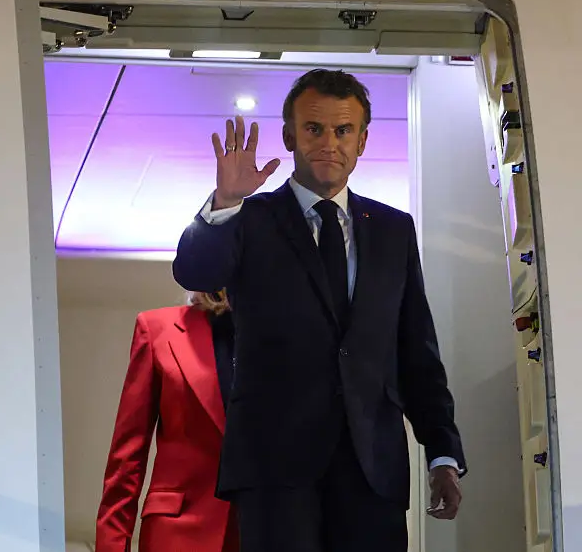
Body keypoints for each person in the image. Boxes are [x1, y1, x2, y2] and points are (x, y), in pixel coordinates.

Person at [172, 69, 466, 552]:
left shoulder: (394, 230)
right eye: (313, 129)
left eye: (343, 130)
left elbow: (416, 352)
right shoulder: (251, 218)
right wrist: (225, 201)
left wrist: (442, 454)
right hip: (275, 469)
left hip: (372, 470)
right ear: (290, 135)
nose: (329, 142)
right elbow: (196, 272)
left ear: (363, 140)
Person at [95, 291, 238, 552]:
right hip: (177, 533)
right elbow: (127, 457)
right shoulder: (157, 329)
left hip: (261, 529)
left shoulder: (284, 337)